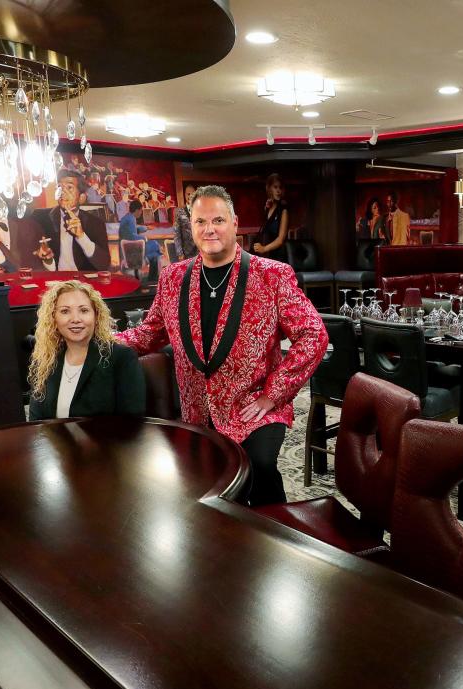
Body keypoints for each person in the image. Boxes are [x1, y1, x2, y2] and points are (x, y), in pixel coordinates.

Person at [118, 185, 327, 506]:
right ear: (191, 227)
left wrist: (274, 394)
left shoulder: (272, 274)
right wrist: (100, 342)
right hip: (197, 413)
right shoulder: (173, 278)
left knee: (259, 470)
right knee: (205, 490)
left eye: (218, 220)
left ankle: (277, 534)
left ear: (234, 223)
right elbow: (149, 334)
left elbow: (314, 335)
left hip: (255, 407)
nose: (209, 229)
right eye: (200, 222)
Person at [27, 280, 145, 420]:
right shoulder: (46, 359)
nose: (75, 319)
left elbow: (131, 420)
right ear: (54, 319)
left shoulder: (121, 357)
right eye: (65, 311)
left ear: (96, 316)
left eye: (84, 310)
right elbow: (36, 420)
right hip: (54, 441)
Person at [30, 169, 111, 271]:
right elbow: (29, 259)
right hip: (52, 282)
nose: (62, 192)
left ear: (81, 198)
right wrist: (48, 260)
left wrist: (82, 237)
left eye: (69, 187)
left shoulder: (95, 223)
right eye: (59, 187)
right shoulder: (40, 217)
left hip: (83, 283)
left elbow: (104, 264)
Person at [253, 173, 289, 262]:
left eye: (280, 187)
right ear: (269, 189)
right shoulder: (269, 207)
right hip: (267, 255)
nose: (278, 191)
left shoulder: (284, 210)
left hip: (278, 256)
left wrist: (264, 248)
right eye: (275, 187)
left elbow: (280, 239)